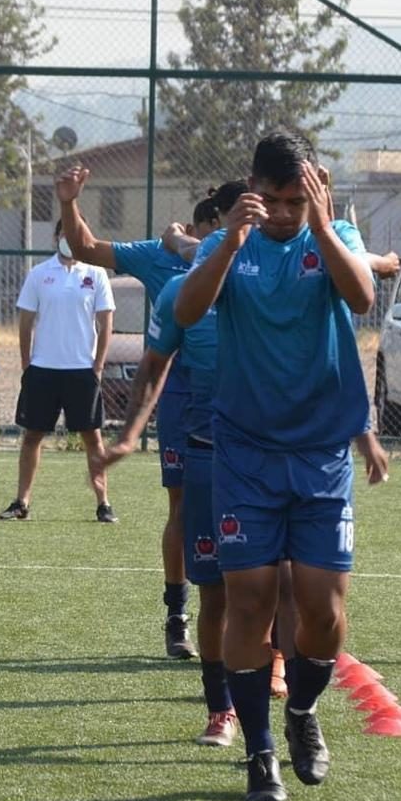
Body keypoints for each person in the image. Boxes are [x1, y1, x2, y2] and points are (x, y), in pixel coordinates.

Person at [175, 130, 375, 801]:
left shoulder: (331, 233)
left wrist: (322, 225)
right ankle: (261, 752)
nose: (286, 213)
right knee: (251, 600)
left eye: (297, 200)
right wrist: (229, 242)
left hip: (320, 455)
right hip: (245, 455)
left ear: (312, 189)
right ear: (253, 188)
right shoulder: (226, 243)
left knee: (322, 612)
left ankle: (301, 712)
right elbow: (185, 310)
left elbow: (362, 300)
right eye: (276, 199)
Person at [99, 182, 247, 747]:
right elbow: (153, 369)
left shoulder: (276, 286)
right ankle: (222, 707)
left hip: (267, 456)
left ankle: (290, 701)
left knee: (277, 588)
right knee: (217, 589)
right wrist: (130, 433)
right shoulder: (180, 294)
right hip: (205, 448)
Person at [58, 168, 218, 658]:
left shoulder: (251, 258)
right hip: (178, 391)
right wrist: (68, 202)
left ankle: (251, 630)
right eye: (228, 226)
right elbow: (85, 247)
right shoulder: (162, 254)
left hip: (233, 393)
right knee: (183, 506)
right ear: (206, 226)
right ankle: (177, 615)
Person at [0, 219, 116, 523]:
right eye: (65, 234)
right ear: (56, 237)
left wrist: (97, 365)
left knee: (93, 438)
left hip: (81, 371)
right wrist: (27, 365)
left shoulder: (96, 273)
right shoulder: (38, 274)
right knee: (32, 435)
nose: (70, 239)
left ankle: (104, 503)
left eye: (76, 234)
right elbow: (25, 323)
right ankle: (21, 502)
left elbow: (106, 323)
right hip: (43, 370)